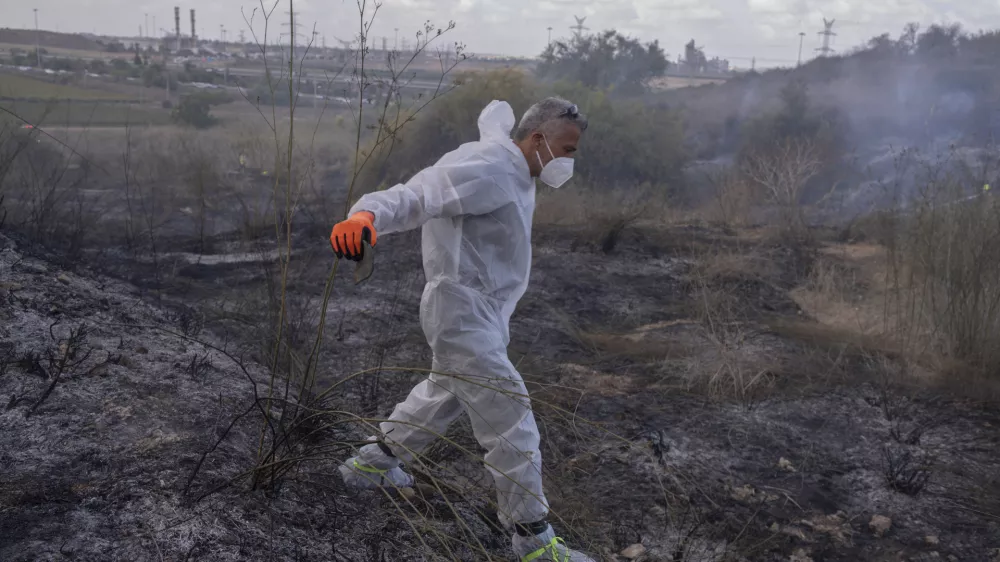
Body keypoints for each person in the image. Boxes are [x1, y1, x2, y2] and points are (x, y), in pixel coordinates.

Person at [330, 97, 593, 561]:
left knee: (442, 396)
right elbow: (419, 194)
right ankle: (533, 540)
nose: (569, 160)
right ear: (537, 139)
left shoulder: (517, 171)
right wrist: (366, 214)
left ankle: (367, 467)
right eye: (566, 149)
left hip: (482, 314)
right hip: (460, 311)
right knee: (510, 415)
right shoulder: (489, 166)